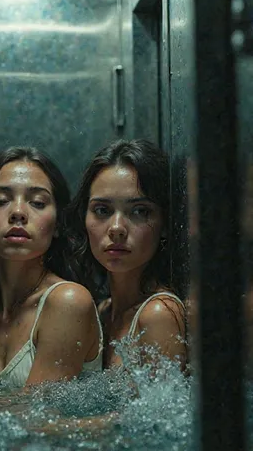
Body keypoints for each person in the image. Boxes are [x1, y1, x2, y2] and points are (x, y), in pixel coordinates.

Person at [0, 146, 103, 390]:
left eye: (38, 202)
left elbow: (37, 416)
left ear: (58, 224)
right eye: (1, 201)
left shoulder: (67, 301)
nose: (18, 212)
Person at [67, 139, 186, 371]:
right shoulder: (102, 311)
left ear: (164, 224)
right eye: (102, 210)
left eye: (140, 211)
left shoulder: (158, 314)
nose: (117, 228)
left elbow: (161, 409)